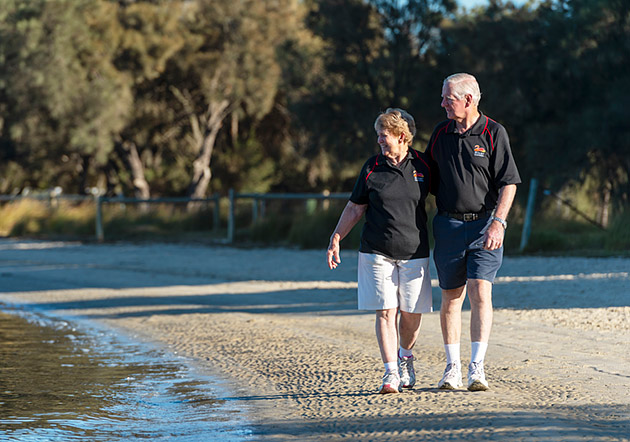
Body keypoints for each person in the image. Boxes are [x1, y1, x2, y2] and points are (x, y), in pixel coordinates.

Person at [327, 108, 435, 394]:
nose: (379, 141)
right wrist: (337, 236)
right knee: (386, 312)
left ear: (401, 137)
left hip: (415, 250)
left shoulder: (423, 164)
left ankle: (405, 357)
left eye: (383, 136)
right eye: (378, 136)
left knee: (411, 313)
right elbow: (355, 207)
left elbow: (450, 195)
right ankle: (390, 373)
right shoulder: (372, 167)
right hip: (376, 251)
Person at [427, 73, 521, 391]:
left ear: (468, 100)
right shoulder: (440, 134)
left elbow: (508, 183)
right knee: (452, 297)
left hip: (485, 226)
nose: (442, 103)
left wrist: (499, 222)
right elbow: (423, 176)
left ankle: (476, 368)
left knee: (481, 291)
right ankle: (452, 369)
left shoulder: (494, 133)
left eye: (447, 98)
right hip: (449, 225)